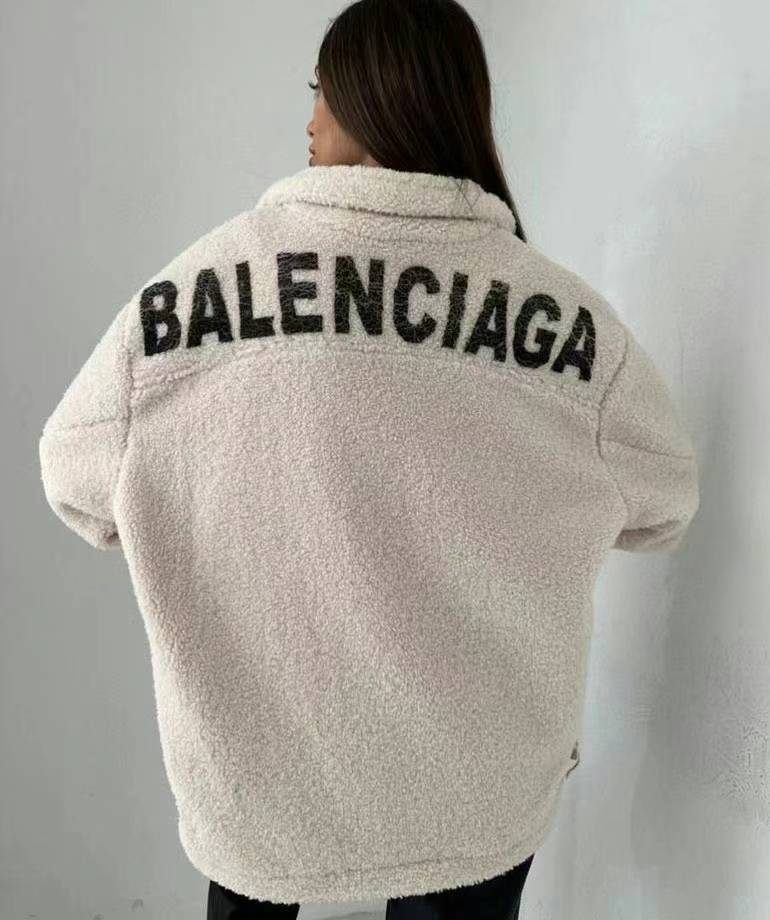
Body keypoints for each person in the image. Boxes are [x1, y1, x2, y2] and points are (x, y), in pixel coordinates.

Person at [37, 0, 700, 917]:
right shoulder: (568, 321)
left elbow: (76, 482)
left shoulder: (192, 294)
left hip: (258, 774)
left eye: (323, 90)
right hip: (476, 784)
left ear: (376, 97)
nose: (310, 118)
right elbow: (663, 501)